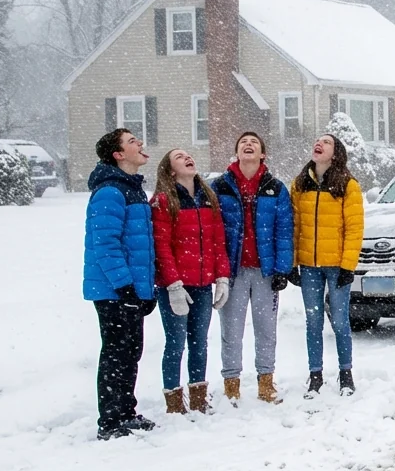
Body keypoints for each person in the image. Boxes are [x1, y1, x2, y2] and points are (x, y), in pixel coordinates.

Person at [83, 129, 157, 440]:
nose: (140, 143)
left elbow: (141, 246)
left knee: (131, 351)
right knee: (116, 353)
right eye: (132, 141)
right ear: (118, 154)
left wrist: (146, 290)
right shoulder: (110, 191)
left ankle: (126, 411)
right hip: (113, 290)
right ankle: (110, 421)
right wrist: (125, 286)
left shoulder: (132, 189)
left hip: (131, 289)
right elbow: (105, 244)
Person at [213, 132, 293, 405]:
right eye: (243, 142)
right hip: (233, 272)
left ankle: (266, 383)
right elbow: (213, 230)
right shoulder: (220, 186)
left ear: (263, 154)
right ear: (236, 152)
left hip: (264, 271)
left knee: (266, 330)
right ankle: (231, 385)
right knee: (231, 331)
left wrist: (282, 269)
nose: (248, 145)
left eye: (254, 143)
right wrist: (219, 269)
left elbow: (284, 230)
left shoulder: (275, 187)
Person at [150, 149, 230, 414]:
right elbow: (161, 246)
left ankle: (198, 399)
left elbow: (218, 241)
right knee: (175, 343)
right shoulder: (163, 201)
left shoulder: (208, 197)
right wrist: (173, 284)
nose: (187, 158)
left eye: (188, 155)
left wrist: (222, 277)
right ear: (170, 170)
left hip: (202, 285)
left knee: (199, 342)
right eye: (179, 157)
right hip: (174, 288)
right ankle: (174, 404)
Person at [290, 134, 364, 398]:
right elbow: (294, 226)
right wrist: (292, 263)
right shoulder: (300, 184)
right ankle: (315, 375)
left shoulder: (348, 185)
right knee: (313, 321)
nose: (319, 144)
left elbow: (354, 228)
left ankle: (346, 374)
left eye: (327, 142)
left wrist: (348, 266)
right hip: (309, 266)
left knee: (340, 321)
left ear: (336, 153)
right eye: (317, 140)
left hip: (337, 266)